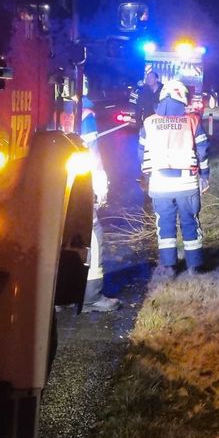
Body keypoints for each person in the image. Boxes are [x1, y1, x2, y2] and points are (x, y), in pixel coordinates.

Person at [138, 79, 210, 277]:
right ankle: (194, 266)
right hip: (186, 183)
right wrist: (204, 176)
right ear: (182, 97)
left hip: (160, 183)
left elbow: (141, 153)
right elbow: (203, 151)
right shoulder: (192, 121)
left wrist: (145, 175)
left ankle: (169, 266)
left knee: (165, 224)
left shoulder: (149, 122)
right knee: (190, 222)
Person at [80, 95, 121, 312]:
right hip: (79, 189)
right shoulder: (86, 117)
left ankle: (60, 297)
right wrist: (100, 186)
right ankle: (91, 297)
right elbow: (92, 155)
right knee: (93, 236)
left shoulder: (52, 108)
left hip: (53, 192)